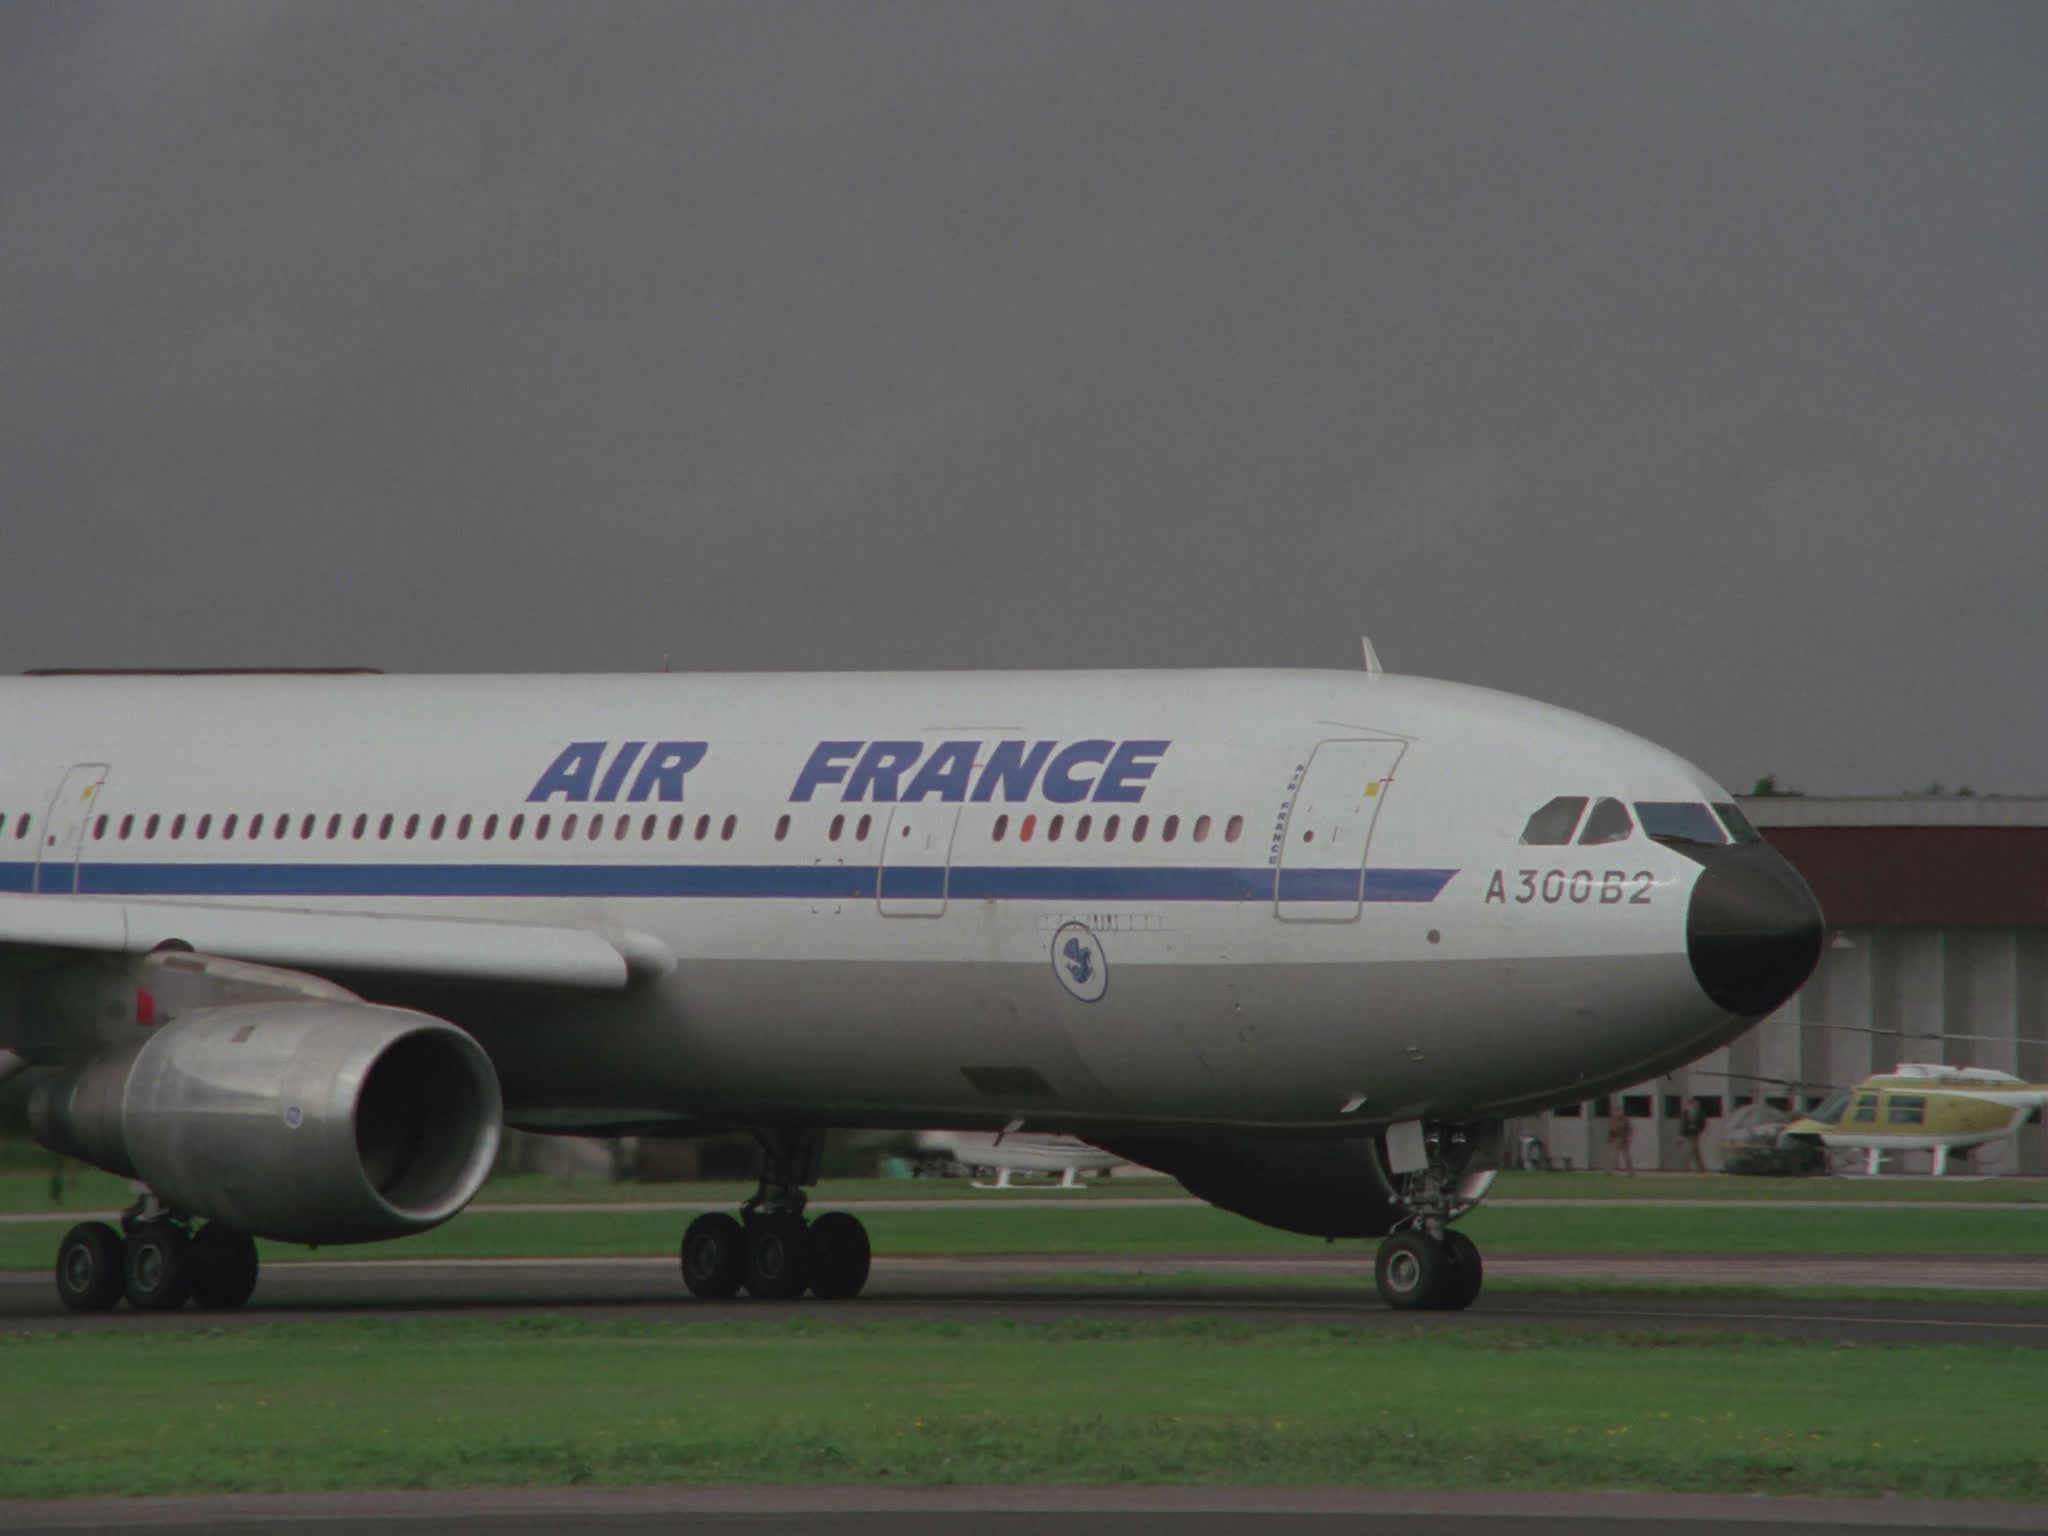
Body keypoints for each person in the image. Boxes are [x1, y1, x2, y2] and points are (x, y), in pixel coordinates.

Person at [1678, 1097, 1710, 1173]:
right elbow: (1683, 1124)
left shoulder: (1700, 1112)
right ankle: (1701, 1168)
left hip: (1695, 1134)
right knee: (1695, 1152)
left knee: (1688, 1151)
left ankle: (1685, 1168)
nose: (1695, 1104)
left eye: (1696, 1103)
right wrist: (1681, 1135)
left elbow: (1703, 1123)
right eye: (1693, 1103)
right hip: (1687, 1134)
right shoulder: (1686, 1112)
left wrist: (1697, 1128)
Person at [1606, 1103, 1634, 1175]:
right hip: (1616, 1139)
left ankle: (1630, 1171)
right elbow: (1611, 1130)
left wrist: (1629, 1138)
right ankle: (1609, 1170)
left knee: (1627, 1156)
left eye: (1620, 1110)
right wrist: (1610, 1138)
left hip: (1624, 1140)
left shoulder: (1625, 1119)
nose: (1618, 1112)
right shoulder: (1613, 1119)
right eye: (1616, 1111)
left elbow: (1630, 1129)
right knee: (1613, 1155)